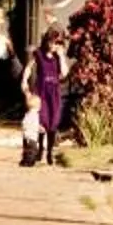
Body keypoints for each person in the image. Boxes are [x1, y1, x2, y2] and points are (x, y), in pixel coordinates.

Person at [31, 26, 68, 165]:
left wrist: (62, 56)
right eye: (52, 42)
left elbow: (64, 74)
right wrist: (24, 81)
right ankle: (40, 149)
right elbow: (29, 67)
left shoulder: (58, 58)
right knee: (42, 120)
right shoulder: (39, 54)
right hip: (41, 91)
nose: (54, 45)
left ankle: (50, 153)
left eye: (57, 43)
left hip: (54, 93)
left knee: (53, 123)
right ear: (47, 41)